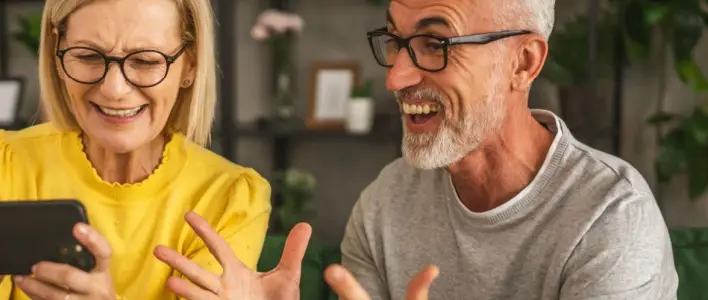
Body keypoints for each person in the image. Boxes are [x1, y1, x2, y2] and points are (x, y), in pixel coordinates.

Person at [159, 0, 680, 299]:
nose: (396, 77)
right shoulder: (387, 202)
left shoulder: (610, 218)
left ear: (523, 63)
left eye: (437, 44)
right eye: (396, 42)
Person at [0, 0, 273, 299]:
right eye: (88, 56)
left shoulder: (231, 197)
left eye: (146, 61)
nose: (114, 89)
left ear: (191, 65)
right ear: (58, 56)